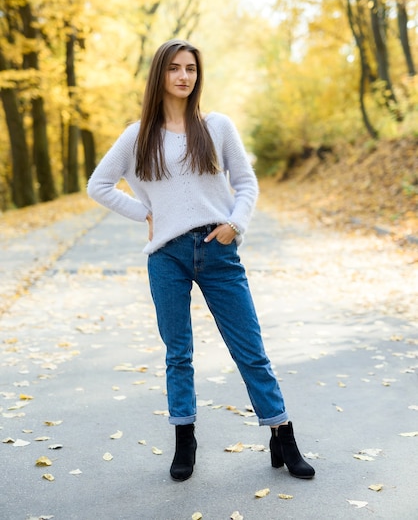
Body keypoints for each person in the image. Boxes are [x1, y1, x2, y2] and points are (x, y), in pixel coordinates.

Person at [87, 39, 315, 482]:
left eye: (190, 68)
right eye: (174, 68)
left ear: (198, 75)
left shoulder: (217, 126)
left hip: (218, 250)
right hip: (167, 257)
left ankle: (282, 435)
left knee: (250, 350)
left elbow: (246, 183)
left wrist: (236, 224)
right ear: (160, 75)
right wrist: (146, 213)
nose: (183, 76)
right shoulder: (137, 136)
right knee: (179, 354)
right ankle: (184, 440)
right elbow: (99, 185)